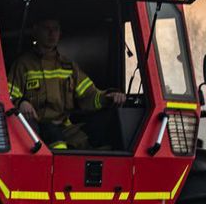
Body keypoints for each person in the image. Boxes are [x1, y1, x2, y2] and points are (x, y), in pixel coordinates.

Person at [8, 15, 124, 150]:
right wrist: (21, 102)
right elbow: (8, 95)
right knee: (59, 146)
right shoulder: (23, 64)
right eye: (47, 28)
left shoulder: (68, 66)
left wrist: (108, 97)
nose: (52, 33)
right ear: (35, 31)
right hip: (35, 129)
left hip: (65, 127)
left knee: (103, 145)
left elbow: (90, 95)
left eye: (55, 29)